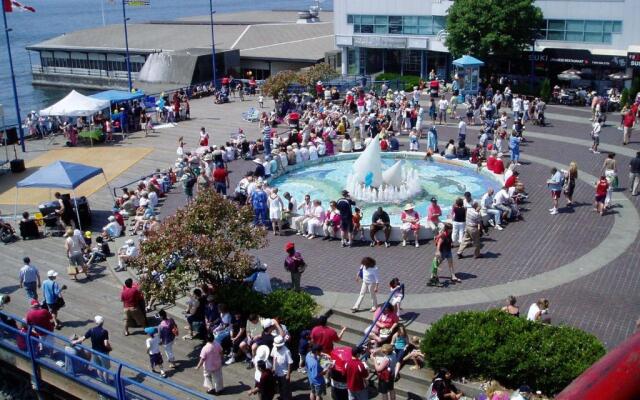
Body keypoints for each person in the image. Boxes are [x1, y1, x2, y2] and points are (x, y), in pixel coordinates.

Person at [71, 315, 112, 383]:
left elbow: (82, 338)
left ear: (96, 322)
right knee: (105, 369)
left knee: (98, 367)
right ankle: (107, 381)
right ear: (102, 323)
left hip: (94, 351)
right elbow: (106, 344)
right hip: (103, 353)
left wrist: (75, 341)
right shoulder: (104, 332)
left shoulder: (91, 330)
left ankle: (102, 380)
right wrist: (110, 348)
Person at [270, 335, 293, 400]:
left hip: (284, 374)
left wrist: (288, 374)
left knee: (286, 389)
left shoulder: (286, 351)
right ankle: (282, 397)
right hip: (277, 372)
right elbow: (274, 357)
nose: (277, 347)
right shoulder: (274, 348)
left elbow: (290, 363)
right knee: (280, 387)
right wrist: (273, 367)